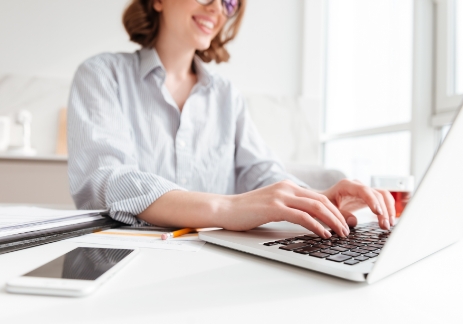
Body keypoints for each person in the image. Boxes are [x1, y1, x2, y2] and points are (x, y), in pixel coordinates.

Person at [68, 0, 395, 240]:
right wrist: (226, 209)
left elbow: (262, 173)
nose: (216, 8)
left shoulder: (226, 95)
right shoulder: (101, 75)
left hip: (216, 259)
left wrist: (316, 199)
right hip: (127, 256)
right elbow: (108, 180)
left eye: (229, 3)